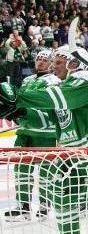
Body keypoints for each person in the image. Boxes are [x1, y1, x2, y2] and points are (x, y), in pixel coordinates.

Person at [1, 46, 88, 234]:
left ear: (72, 63)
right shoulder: (60, 85)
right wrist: (17, 112)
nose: (52, 66)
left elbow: (63, 97)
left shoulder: (87, 82)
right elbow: (45, 118)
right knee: (62, 203)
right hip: (68, 153)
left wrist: (17, 96)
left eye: (58, 62)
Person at [2, 49, 59, 224]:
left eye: (44, 60)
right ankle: (23, 206)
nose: (40, 63)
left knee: (45, 172)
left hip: (46, 134)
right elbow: (19, 102)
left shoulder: (54, 81)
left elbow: (51, 108)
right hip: (25, 132)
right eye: (38, 60)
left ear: (51, 63)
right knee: (21, 170)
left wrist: (25, 112)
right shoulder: (27, 80)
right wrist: (13, 112)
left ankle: (44, 204)